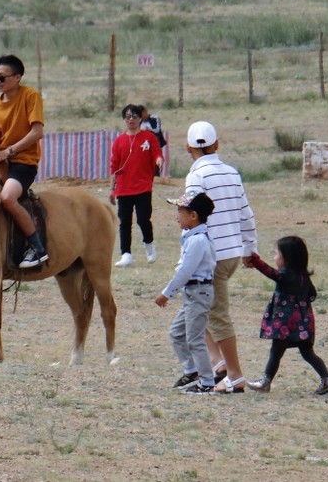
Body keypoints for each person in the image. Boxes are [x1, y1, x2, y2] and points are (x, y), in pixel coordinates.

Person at [184, 121, 258, 394]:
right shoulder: (232, 172)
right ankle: (219, 365)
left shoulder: (195, 177)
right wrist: (250, 249)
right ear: (217, 144)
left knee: (215, 315)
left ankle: (235, 375)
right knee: (198, 311)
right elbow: (246, 214)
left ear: (188, 147)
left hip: (210, 256)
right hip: (233, 254)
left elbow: (193, 218)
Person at [0, 54, 48, 269]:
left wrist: (9, 151)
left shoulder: (30, 96)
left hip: (24, 161)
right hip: (1, 160)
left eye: (2, 77)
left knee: (7, 198)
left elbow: (38, 132)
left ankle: (37, 247)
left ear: (17, 77)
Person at [246, 236, 328, 395]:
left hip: (284, 324)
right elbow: (312, 294)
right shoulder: (304, 277)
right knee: (308, 353)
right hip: (303, 324)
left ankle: (265, 382)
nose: (274, 258)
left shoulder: (285, 275)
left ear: (286, 258)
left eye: (276, 254)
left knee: (276, 352)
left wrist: (255, 261)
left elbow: (270, 272)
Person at [155, 191, 218, 395]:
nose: (177, 216)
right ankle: (192, 372)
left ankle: (207, 381)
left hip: (199, 292)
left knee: (195, 338)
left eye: (181, 211)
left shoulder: (198, 240)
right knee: (177, 333)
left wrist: (167, 293)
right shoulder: (191, 237)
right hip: (192, 293)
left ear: (194, 215)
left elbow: (185, 271)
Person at [110, 104, 164, 267]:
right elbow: (114, 166)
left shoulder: (149, 137)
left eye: (134, 116)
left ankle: (149, 246)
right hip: (124, 189)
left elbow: (157, 153)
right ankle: (126, 254)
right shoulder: (119, 141)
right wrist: (112, 189)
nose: (131, 119)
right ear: (124, 119)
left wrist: (159, 160)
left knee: (143, 219)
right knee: (124, 222)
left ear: (140, 118)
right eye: (127, 116)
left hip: (143, 187)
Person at [140, 105, 167, 177]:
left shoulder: (155, 118)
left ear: (145, 112)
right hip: (143, 144)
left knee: (156, 159)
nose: (142, 117)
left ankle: (156, 176)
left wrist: (149, 130)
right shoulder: (139, 121)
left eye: (142, 115)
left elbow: (158, 130)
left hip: (155, 143)